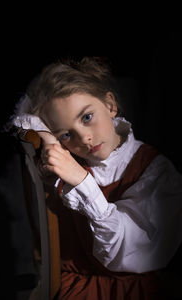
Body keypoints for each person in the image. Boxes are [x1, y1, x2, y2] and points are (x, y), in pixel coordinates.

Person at [11, 57, 182, 299]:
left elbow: (127, 253)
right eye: (67, 134)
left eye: (87, 117)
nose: (83, 139)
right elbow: (23, 116)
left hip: (135, 285)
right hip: (76, 283)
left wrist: (84, 183)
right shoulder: (68, 161)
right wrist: (49, 139)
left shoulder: (156, 171)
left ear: (110, 105)